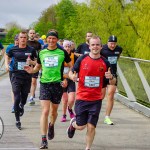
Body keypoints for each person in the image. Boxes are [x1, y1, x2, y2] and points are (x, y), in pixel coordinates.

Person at [24, 30, 72, 149]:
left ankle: (51, 125)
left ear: (57, 40)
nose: (51, 40)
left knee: (53, 112)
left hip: (57, 84)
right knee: (45, 111)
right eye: (49, 38)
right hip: (45, 83)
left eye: (53, 39)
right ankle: (44, 139)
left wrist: (67, 78)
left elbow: (71, 66)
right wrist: (32, 71)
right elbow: (38, 67)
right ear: (46, 40)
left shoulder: (62, 52)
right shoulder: (42, 52)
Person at [67, 36, 116, 150]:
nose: (95, 47)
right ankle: (73, 124)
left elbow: (113, 81)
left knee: (91, 127)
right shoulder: (82, 59)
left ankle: (88, 148)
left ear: (101, 46)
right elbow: (71, 72)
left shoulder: (105, 62)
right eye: (93, 45)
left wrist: (111, 78)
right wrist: (72, 77)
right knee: (81, 126)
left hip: (96, 100)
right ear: (89, 46)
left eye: (97, 45)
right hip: (82, 98)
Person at [5, 31, 37, 130]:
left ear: (26, 39)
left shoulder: (31, 49)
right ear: (18, 39)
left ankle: (22, 105)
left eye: (24, 37)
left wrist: (31, 62)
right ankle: (17, 120)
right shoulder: (13, 49)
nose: (23, 39)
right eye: (21, 37)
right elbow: (7, 55)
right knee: (16, 96)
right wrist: (7, 65)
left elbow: (37, 61)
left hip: (27, 76)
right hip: (15, 75)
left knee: (24, 97)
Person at [100, 35, 122, 125]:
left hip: (112, 75)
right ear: (107, 42)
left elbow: (118, 57)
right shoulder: (102, 49)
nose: (113, 45)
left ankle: (107, 117)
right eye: (111, 43)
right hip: (102, 74)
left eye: (114, 44)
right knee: (101, 96)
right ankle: (93, 113)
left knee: (111, 94)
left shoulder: (119, 49)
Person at [61, 40, 76, 122]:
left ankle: (70, 109)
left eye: (68, 46)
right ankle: (64, 115)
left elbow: (76, 68)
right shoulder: (60, 56)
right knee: (65, 100)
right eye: (65, 46)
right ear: (63, 47)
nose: (67, 48)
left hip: (70, 79)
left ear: (71, 47)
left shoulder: (74, 56)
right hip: (62, 80)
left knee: (71, 99)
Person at [5, 34, 19, 113]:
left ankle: (19, 102)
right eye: (16, 40)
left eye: (18, 40)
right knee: (14, 88)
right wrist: (7, 65)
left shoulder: (25, 48)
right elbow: (6, 56)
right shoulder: (10, 47)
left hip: (22, 71)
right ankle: (14, 105)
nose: (17, 41)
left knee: (21, 89)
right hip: (13, 69)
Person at [27, 29, 41, 105]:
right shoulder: (25, 42)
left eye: (33, 33)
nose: (32, 34)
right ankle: (29, 93)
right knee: (27, 82)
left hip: (35, 64)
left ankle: (31, 97)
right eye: (31, 33)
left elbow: (40, 54)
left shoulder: (38, 44)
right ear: (28, 34)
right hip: (26, 64)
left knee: (33, 81)